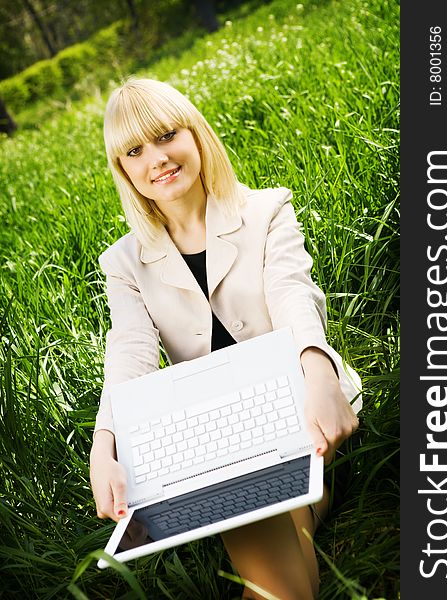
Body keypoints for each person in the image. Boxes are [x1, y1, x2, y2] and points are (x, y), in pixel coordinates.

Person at [89, 76, 361, 600]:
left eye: (167, 135)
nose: (157, 159)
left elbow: (292, 295)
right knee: (260, 524)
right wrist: (106, 443)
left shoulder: (266, 211)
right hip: (217, 434)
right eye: (135, 150)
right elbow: (130, 352)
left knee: (255, 515)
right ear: (123, 168)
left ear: (195, 134)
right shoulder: (122, 263)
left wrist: (318, 369)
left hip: (302, 415)